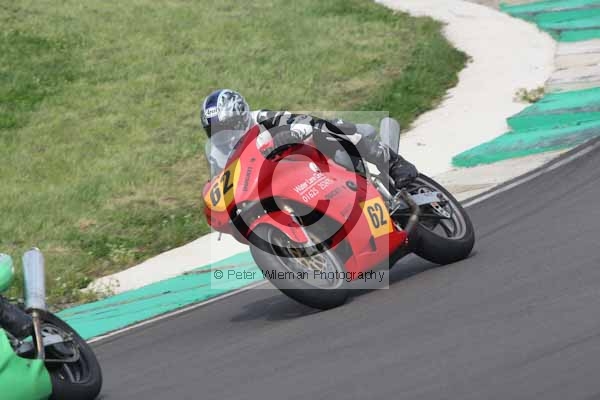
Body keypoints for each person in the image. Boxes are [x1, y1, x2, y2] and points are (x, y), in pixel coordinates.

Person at [200, 89, 417, 188]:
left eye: (227, 127)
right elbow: (221, 183)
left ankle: (393, 162)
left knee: (330, 127)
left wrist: (293, 132)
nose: (223, 136)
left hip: (308, 158)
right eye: (215, 131)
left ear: (241, 118)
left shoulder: (263, 118)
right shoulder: (218, 153)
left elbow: (302, 121)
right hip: (280, 181)